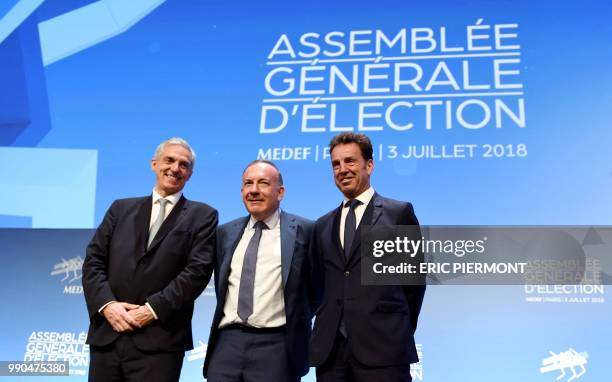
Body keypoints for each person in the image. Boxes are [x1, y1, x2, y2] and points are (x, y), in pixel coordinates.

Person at [82, 137, 218, 382]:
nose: (175, 168)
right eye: (169, 160)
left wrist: (152, 310)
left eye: (184, 165)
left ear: (190, 174)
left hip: (160, 340)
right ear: (154, 164)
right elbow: (93, 261)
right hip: (108, 335)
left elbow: (196, 273)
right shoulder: (120, 209)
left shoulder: (203, 215)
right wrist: (107, 306)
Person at [309, 133, 425, 382]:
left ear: (369, 165)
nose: (342, 170)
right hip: (331, 354)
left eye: (350, 161)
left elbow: (414, 285)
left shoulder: (398, 213)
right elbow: (318, 285)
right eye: (335, 164)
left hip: (384, 349)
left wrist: (394, 328)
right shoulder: (322, 225)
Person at [204, 160, 314, 382]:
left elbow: (317, 288)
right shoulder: (225, 232)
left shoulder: (306, 230)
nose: (254, 190)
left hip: (278, 345)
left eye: (263, 183)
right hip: (227, 343)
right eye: (248, 184)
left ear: (280, 192)